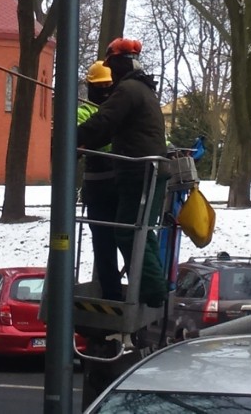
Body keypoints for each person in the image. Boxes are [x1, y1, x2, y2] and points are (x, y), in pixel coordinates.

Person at [77, 38, 169, 308]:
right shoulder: (142, 89)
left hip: (136, 171)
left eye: (111, 70)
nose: (110, 79)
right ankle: (153, 288)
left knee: (128, 232)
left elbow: (104, 122)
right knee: (140, 231)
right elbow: (109, 126)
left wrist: (71, 139)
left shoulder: (128, 90)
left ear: (118, 64)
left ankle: (152, 292)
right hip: (148, 171)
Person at [77, 61, 121, 301]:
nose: (104, 91)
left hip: (119, 186)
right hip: (97, 187)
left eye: (108, 86)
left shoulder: (121, 108)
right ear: (90, 87)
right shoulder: (84, 111)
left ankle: (130, 287)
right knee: (104, 245)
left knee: (126, 239)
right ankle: (111, 292)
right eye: (99, 86)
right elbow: (81, 133)